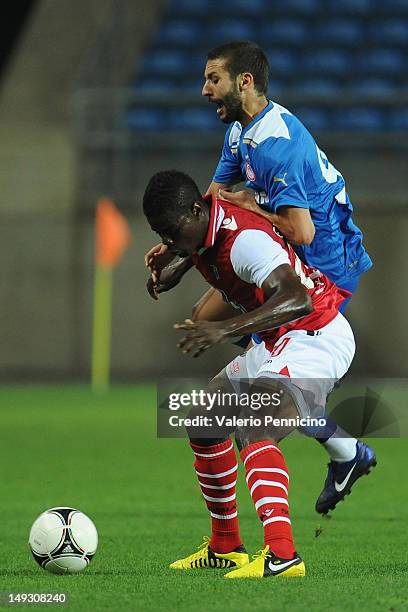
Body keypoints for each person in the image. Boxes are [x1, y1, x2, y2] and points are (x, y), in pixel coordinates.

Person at [144, 41, 374, 515]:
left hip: (326, 261)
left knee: (275, 369)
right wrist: (175, 253)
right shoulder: (239, 133)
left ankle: (341, 449)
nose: (205, 90)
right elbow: (209, 210)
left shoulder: (278, 146)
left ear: (243, 82)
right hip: (288, 250)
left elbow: (303, 231)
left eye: (214, 79)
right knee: (202, 314)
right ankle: (345, 448)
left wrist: (255, 207)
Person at [142, 169, 376, 579]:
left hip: (314, 335)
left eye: (171, 231)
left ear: (196, 210)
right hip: (277, 338)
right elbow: (195, 244)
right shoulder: (201, 229)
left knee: (255, 426)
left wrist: (224, 329)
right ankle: (225, 547)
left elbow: (296, 298)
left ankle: (283, 556)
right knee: (205, 422)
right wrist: (178, 264)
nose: (168, 241)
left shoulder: (244, 241)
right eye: (161, 234)